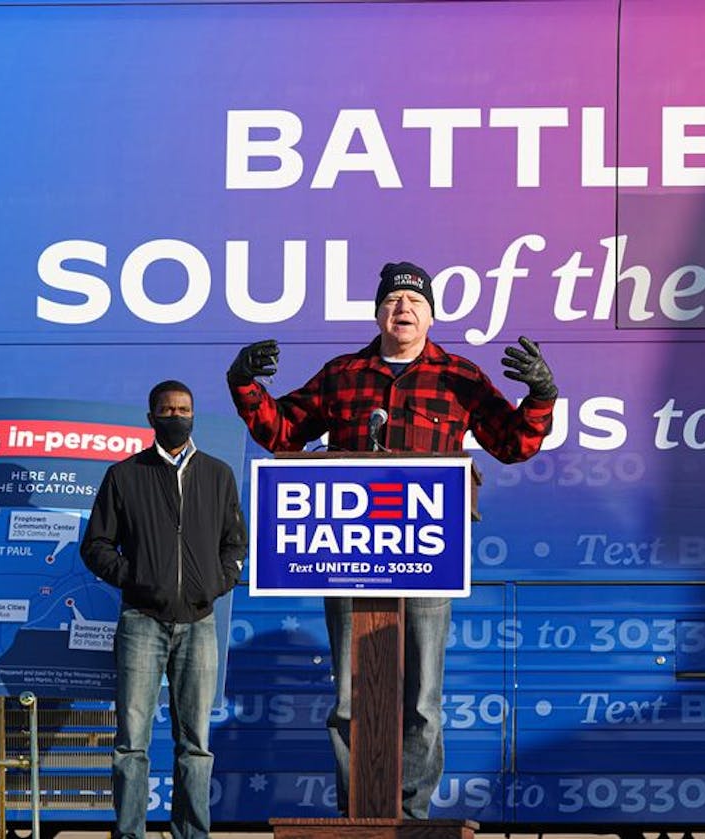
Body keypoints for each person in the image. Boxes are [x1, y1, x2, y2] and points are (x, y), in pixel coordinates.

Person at [226, 260, 556, 819]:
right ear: (378, 311)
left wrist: (542, 394)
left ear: (431, 313)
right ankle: (360, 809)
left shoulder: (460, 376)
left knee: (422, 697)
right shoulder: (343, 373)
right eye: (393, 301)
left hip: (428, 556)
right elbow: (281, 431)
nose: (403, 310)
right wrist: (243, 381)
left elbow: (513, 443)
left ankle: (412, 815)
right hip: (348, 555)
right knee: (352, 695)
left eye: (415, 302)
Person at [81, 380, 248, 839]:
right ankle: (129, 833)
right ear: (151, 417)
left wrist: (217, 581)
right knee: (131, 743)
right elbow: (95, 546)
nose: (177, 417)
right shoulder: (125, 475)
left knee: (195, 744)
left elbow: (235, 542)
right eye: (167, 410)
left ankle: (191, 832)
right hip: (140, 622)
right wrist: (136, 578)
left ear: (194, 415)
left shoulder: (217, 474)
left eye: (184, 409)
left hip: (199, 623)